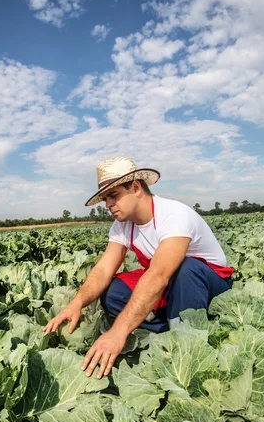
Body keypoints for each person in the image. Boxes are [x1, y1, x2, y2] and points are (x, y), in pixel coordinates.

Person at [43, 157, 234, 379]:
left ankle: (186, 340)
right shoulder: (122, 225)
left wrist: (118, 332)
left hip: (208, 284)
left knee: (187, 269)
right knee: (112, 291)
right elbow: (105, 268)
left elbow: (159, 276)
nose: (108, 205)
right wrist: (76, 303)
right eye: (105, 199)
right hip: (172, 285)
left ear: (135, 187)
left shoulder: (174, 215)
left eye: (113, 195)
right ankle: (171, 321)